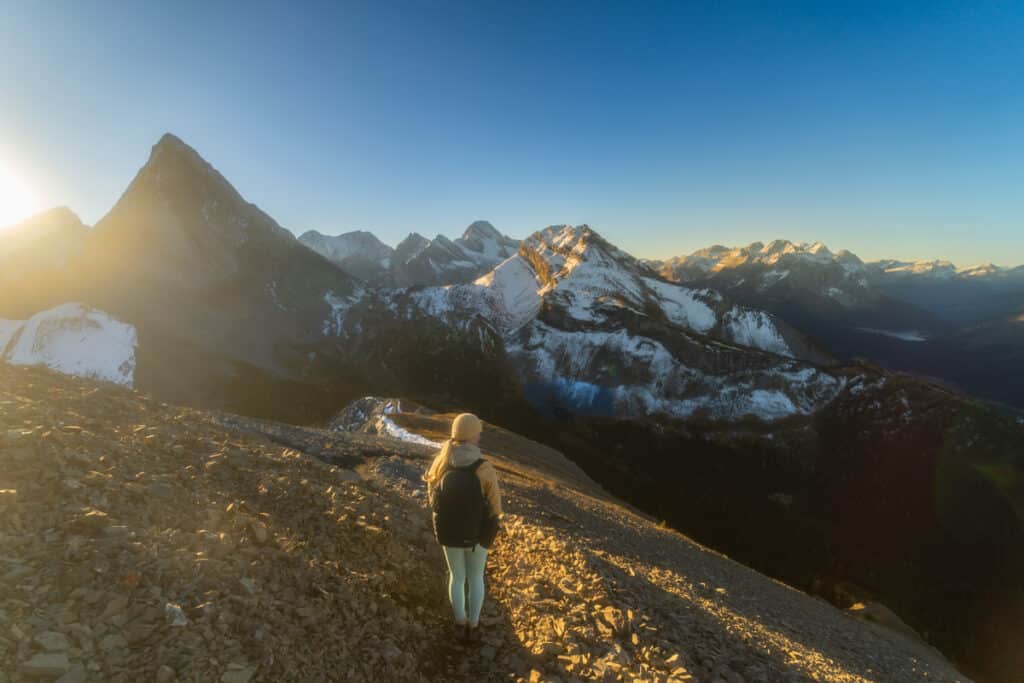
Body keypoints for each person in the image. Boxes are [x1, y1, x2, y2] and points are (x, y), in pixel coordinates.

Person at [425, 413, 502, 643]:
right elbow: (496, 508)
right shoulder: (483, 467)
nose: (480, 436)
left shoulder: (441, 463)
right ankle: (474, 625)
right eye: (478, 432)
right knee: (476, 578)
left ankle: (459, 623)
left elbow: (433, 502)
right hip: (477, 536)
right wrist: (488, 533)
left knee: (456, 578)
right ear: (472, 435)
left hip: (449, 534)